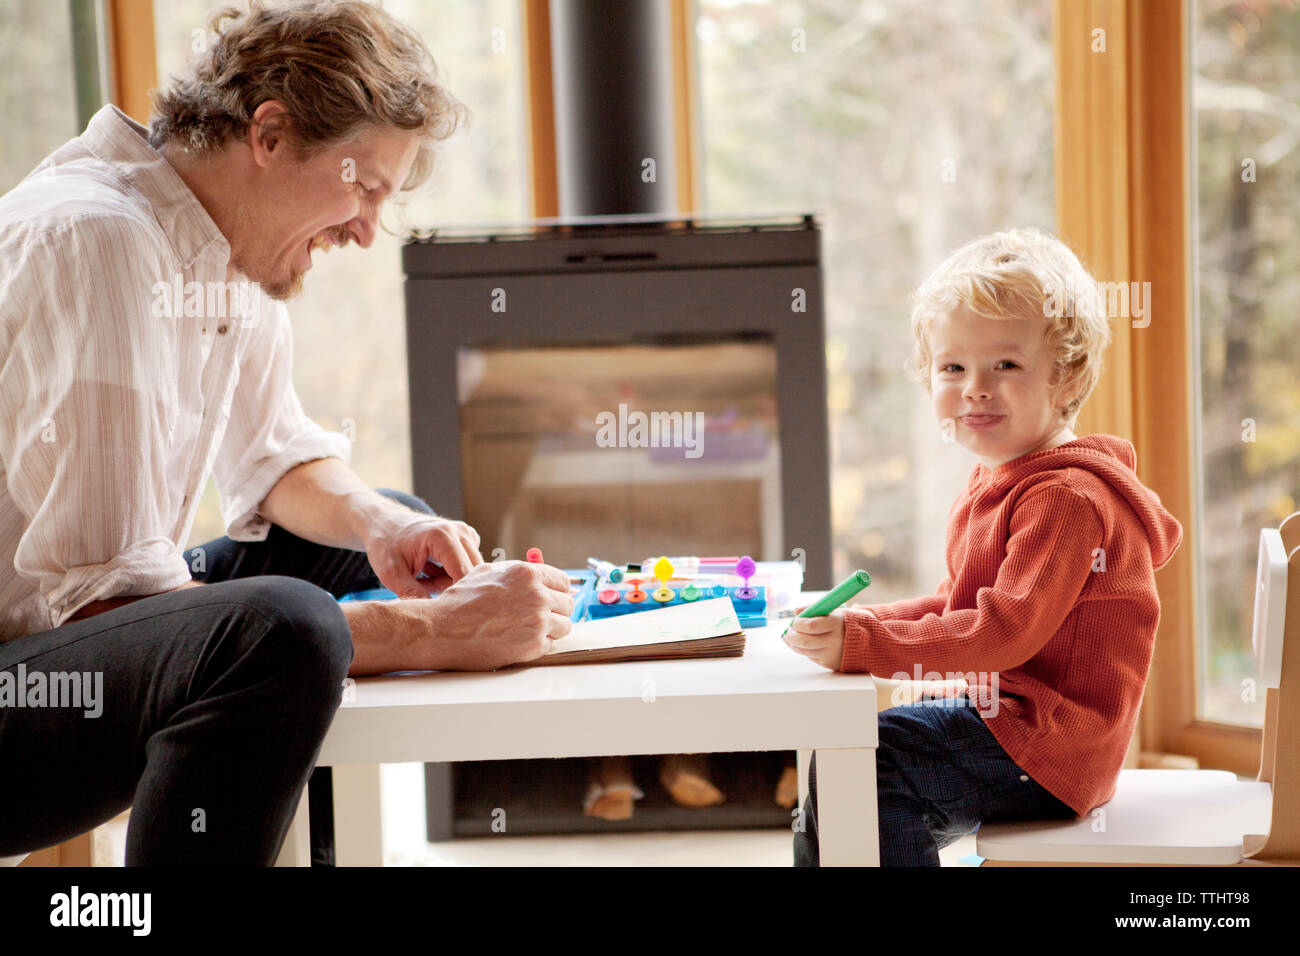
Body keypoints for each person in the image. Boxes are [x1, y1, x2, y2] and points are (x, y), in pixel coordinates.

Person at [0, 0, 572, 866]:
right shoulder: (102, 242)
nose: (366, 230)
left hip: (50, 637)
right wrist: (440, 632)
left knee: (365, 547)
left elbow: (276, 459)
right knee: (287, 630)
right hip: (27, 684)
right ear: (270, 134)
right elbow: (107, 604)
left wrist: (386, 527)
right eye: (362, 186)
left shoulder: (218, 249)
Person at [784, 228, 1183, 866]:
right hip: (1018, 727)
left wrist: (863, 644)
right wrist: (854, 624)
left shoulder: (1065, 498)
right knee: (843, 766)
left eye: (1006, 365)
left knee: (865, 762)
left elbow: (1002, 632)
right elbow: (957, 602)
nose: (975, 387)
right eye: (953, 367)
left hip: (1049, 746)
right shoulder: (1004, 479)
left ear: (1066, 375)